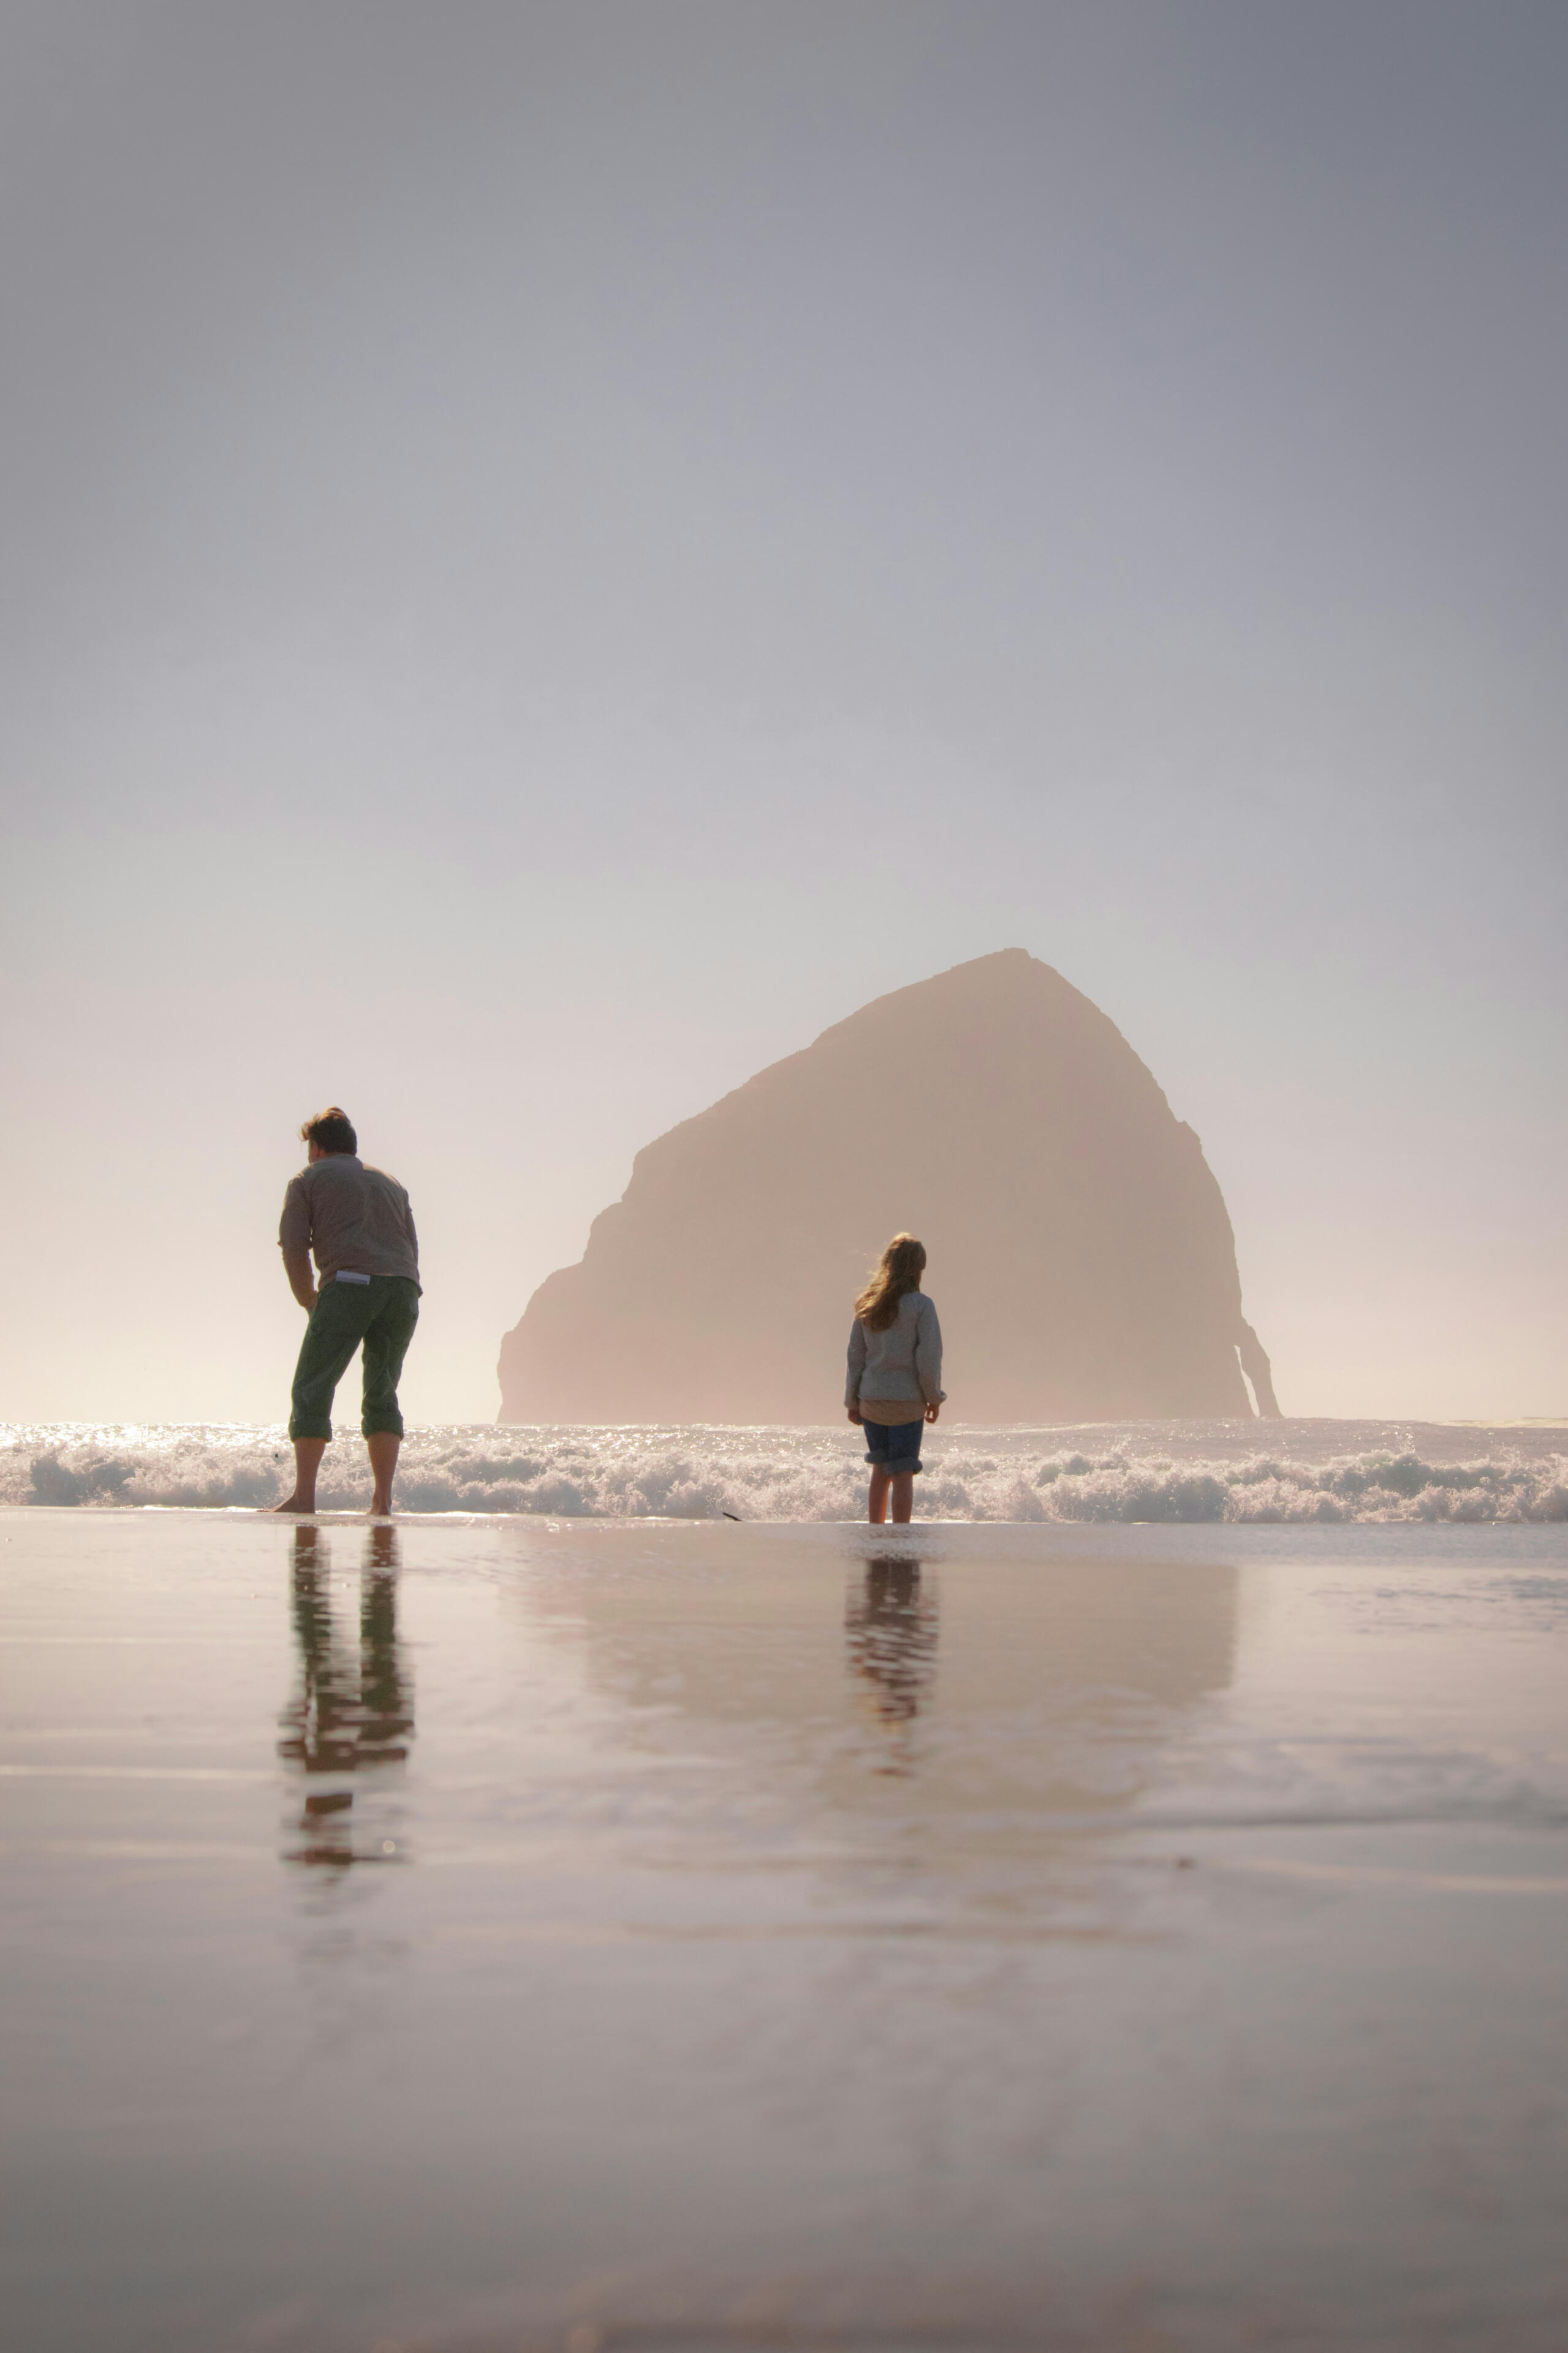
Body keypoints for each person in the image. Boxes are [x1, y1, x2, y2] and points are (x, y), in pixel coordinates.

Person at [271, 1108, 421, 1517]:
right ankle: (382, 1501)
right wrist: (405, 1290)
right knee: (382, 1392)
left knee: (312, 1388)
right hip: (403, 1289)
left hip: (350, 1285)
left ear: (317, 1148)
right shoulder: (391, 1182)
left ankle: (304, 1498)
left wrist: (309, 1301)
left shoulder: (307, 1179)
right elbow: (411, 1246)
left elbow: (294, 1246)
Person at [844, 1233, 945, 1525]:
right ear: (919, 1269)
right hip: (907, 1401)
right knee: (902, 1471)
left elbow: (855, 1357)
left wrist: (852, 1401)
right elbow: (928, 1358)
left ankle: (875, 1532)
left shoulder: (868, 1303)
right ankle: (902, 1535)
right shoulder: (921, 1305)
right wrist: (934, 1397)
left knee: (880, 1470)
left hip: (872, 1399)